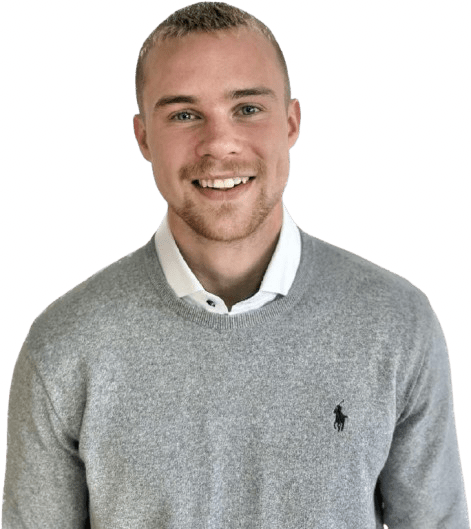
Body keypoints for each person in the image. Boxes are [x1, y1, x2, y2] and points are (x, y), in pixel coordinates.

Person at [2, 2, 469, 527]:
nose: (219, 143)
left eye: (247, 108)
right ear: (143, 138)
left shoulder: (396, 322)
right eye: (184, 114)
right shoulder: (64, 344)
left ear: (290, 123)